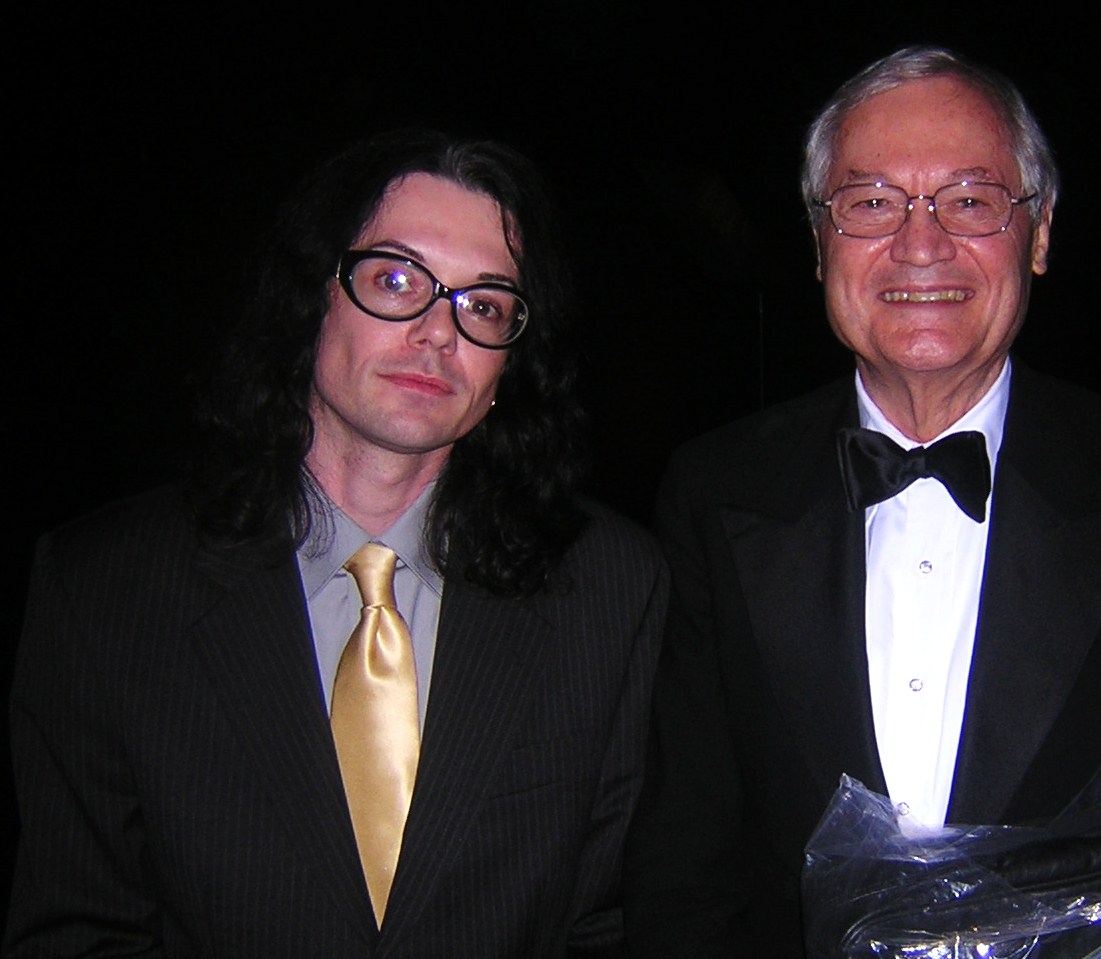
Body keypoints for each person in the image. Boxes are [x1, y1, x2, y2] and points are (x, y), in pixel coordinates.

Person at [624, 46, 1101, 957]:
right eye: (870, 202)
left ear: (1042, 230)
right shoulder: (713, 489)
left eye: (971, 200)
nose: (920, 242)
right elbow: (681, 877)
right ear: (820, 240)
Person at [6, 129, 666, 957]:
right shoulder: (106, 588)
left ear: (511, 365)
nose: (438, 331)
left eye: (485, 304)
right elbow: (79, 931)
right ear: (310, 297)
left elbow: (607, 921)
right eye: (395, 279)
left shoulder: (610, 587)